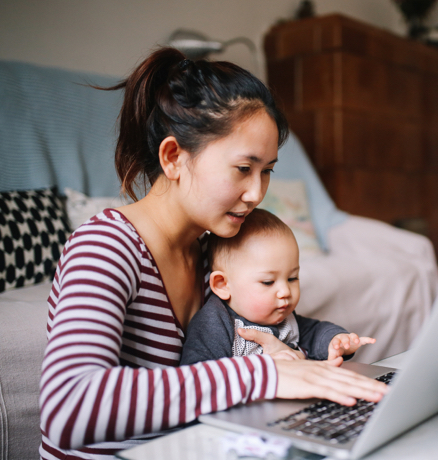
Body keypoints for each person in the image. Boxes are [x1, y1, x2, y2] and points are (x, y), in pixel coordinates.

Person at [39, 47, 388, 460]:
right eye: (244, 168)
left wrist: (287, 356)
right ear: (173, 157)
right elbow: (69, 406)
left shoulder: (216, 256)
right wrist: (261, 374)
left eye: (268, 171)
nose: (258, 194)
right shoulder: (105, 248)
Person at [180, 208, 376, 366]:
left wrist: (336, 341)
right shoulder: (215, 323)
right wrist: (262, 366)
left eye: (292, 278)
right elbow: (199, 376)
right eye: (268, 282)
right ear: (223, 285)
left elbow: (314, 332)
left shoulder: (284, 318)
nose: (285, 292)